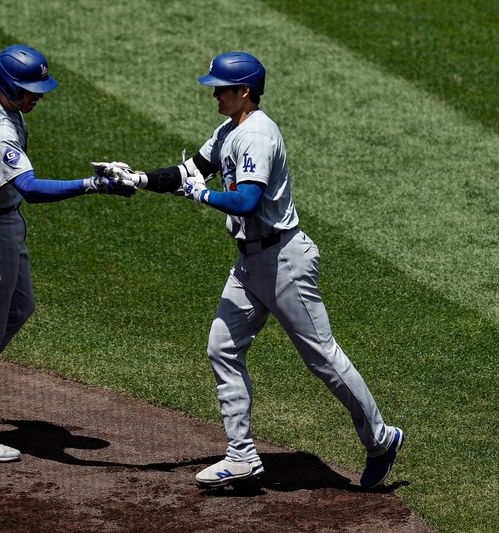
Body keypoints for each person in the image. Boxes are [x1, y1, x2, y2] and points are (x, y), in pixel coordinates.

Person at [97, 51, 403, 490]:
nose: (215, 95)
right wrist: (138, 179)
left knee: (322, 359)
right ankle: (242, 457)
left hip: (283, 262)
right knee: (222, 347)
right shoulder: (230, 129)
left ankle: (381, 439)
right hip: (250, 263)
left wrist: (200, 197)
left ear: (244, 92)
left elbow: (246, 202)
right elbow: (190, 171)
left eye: (221, 88)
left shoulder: (258, 136)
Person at [0, 44, 135, 463]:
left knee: (20, 307)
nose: (35, 96)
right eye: (28, 90)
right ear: (6, 86)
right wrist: (93, 185)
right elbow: (32, 189)